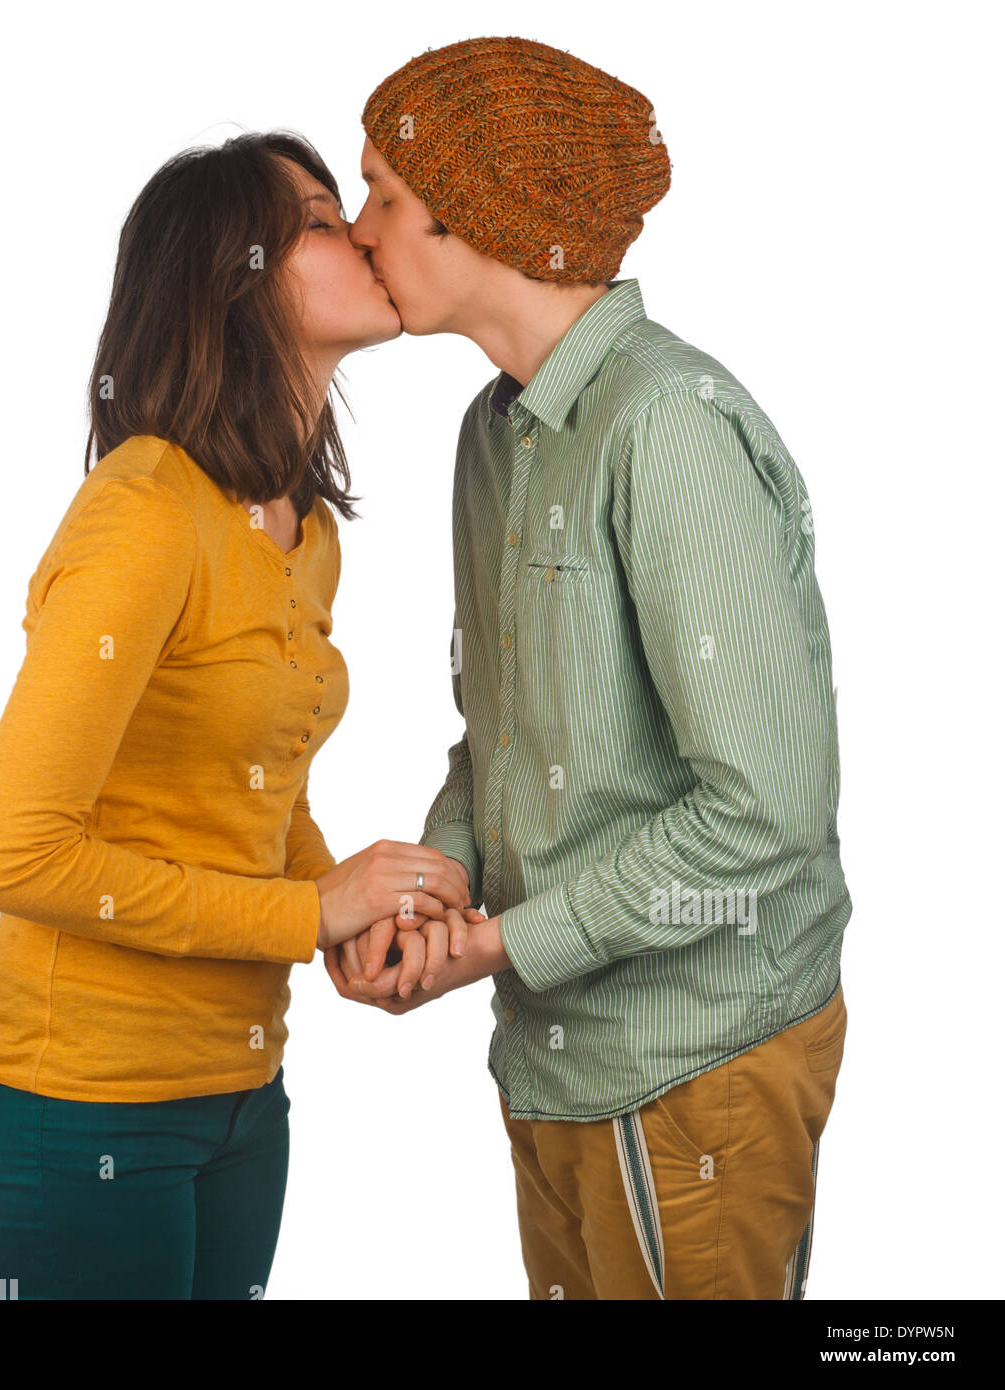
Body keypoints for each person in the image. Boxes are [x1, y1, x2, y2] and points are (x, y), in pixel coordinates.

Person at [325, 35, 851, 1301]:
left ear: (480, 220)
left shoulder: (666, 426)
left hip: (693, 1065)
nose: (355, 229)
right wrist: (437, 883)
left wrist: (501, 943)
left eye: (384, 194)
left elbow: (766, 813)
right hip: (554, 1059)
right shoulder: (494, 429)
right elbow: (498, 734)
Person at [0, 129, 483, 1300]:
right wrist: (307, 908)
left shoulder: (302, 527)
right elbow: (14, 850)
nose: (370, 235)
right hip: (67, 1104)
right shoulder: (145, 512)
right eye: (326, 222)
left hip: (238, 1096)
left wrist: (339, 913)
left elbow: (257, 788)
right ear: (236, 279)